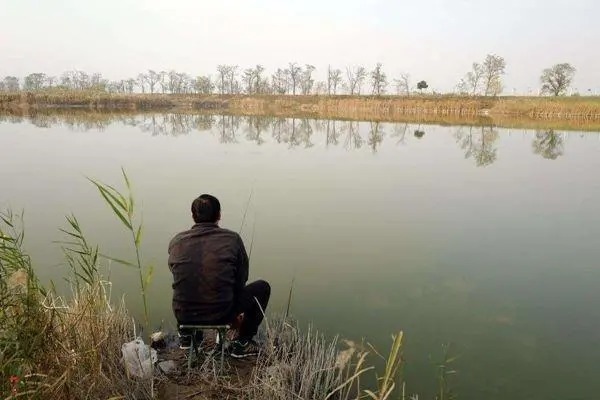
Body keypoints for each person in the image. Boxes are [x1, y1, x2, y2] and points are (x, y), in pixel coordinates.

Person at [168, 194, 270, 358]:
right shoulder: (232, 239)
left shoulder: (176, 241)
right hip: (222, 314)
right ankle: (241, 344)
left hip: (184, 314)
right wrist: (234, 312)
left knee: (184, 285)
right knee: (262, 288)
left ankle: (186, 336)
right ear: (219, 215)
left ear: (193, 216)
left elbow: (177, 275)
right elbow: (241, 279)